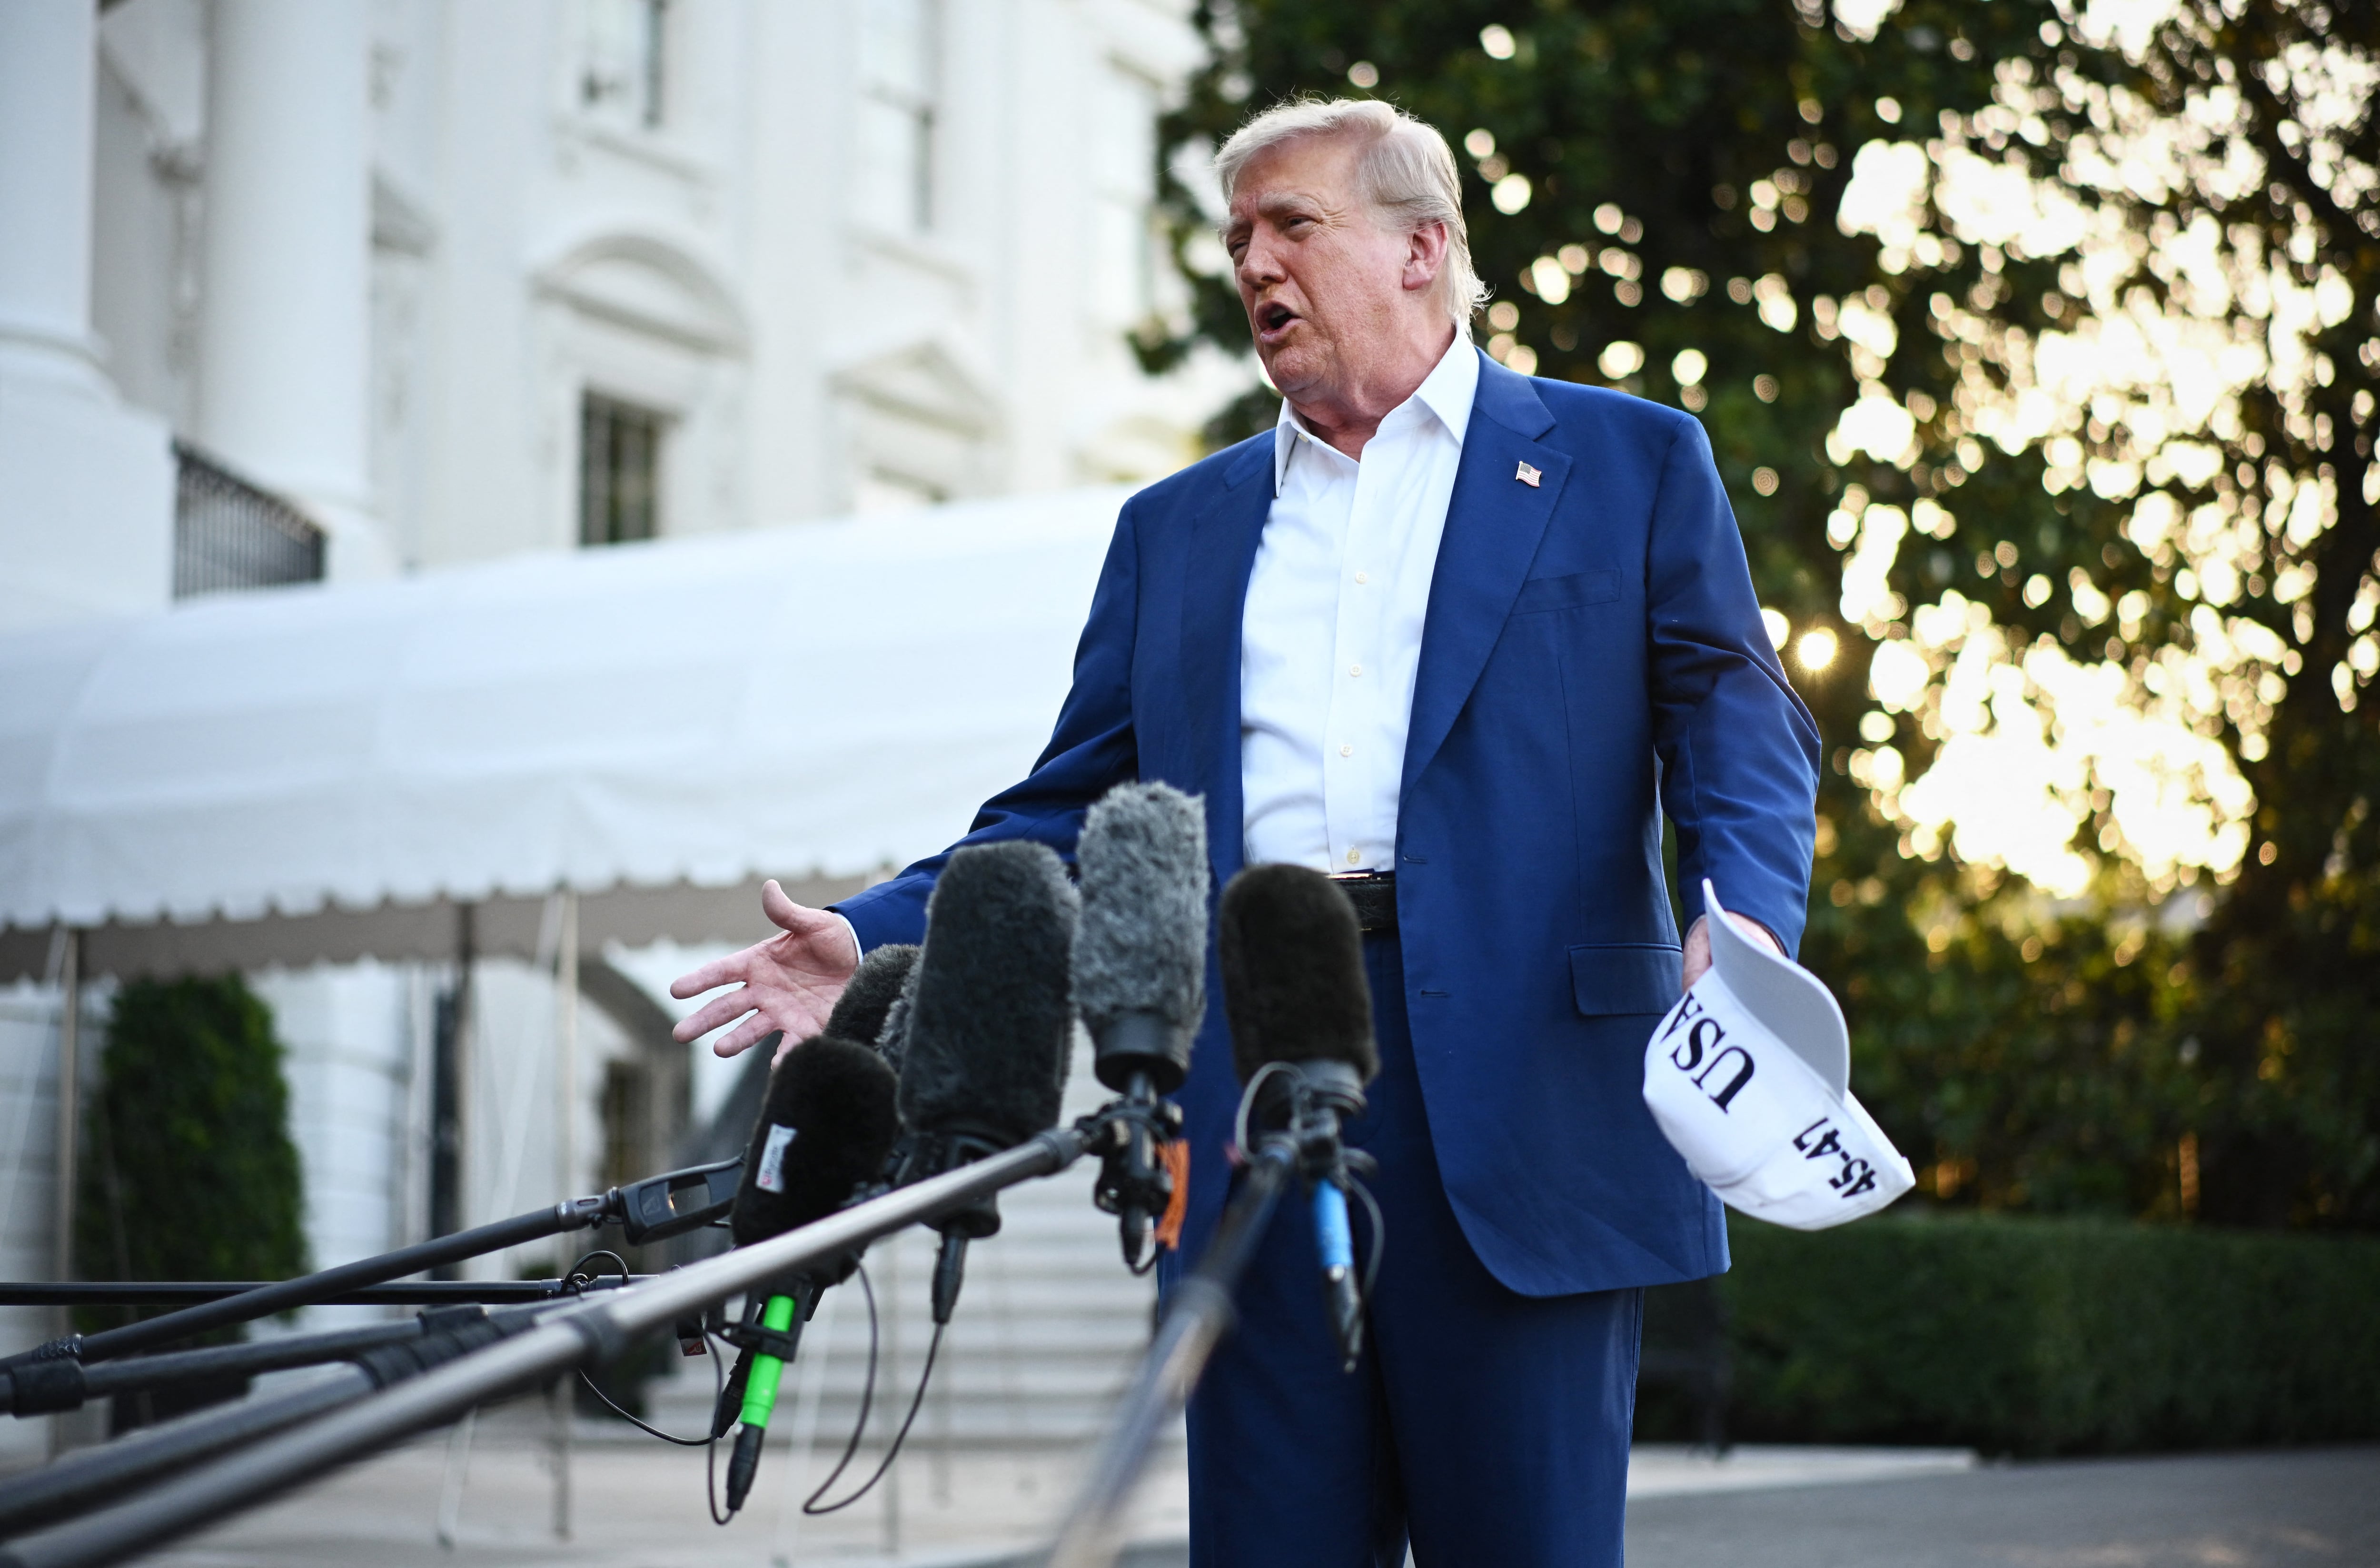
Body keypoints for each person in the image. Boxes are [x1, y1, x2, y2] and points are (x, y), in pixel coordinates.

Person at [671, 98, 1817, 1568]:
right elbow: (1077, 799)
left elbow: (1737, 720)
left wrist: (1749, 917)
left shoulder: (1629, 462)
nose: (1252, 263)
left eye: (1293, 225)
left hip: (1535, 1091)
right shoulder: (1179, 528)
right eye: (1236, 238)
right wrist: (887, 936)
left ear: (1424, 247)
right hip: (1252, 1089)